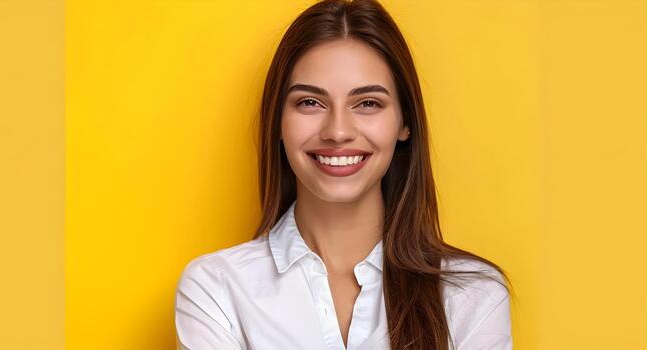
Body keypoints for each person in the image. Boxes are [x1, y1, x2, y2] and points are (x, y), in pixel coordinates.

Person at [174, 0, 513, 349]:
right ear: (278, 121)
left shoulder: (473, 295)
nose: (337, 131)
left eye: (367, 103)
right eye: (310, 102)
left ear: (404, 123)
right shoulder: (216, 290)